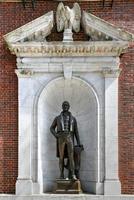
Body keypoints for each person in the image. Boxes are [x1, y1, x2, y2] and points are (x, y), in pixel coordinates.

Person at [50, 101, 81, 180]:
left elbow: (76, 131)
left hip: (69, 136)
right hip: (61, 137)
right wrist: (56, 135)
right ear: (62, 106)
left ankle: (73, 175)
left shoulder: (73, 119)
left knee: (71, 157)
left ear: (69, 107)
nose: (65, 106)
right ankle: (61, 174)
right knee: (61, 157)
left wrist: (78, 142)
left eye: (67, 105)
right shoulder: (57, 118)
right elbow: (51, 128)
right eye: (64, 105)